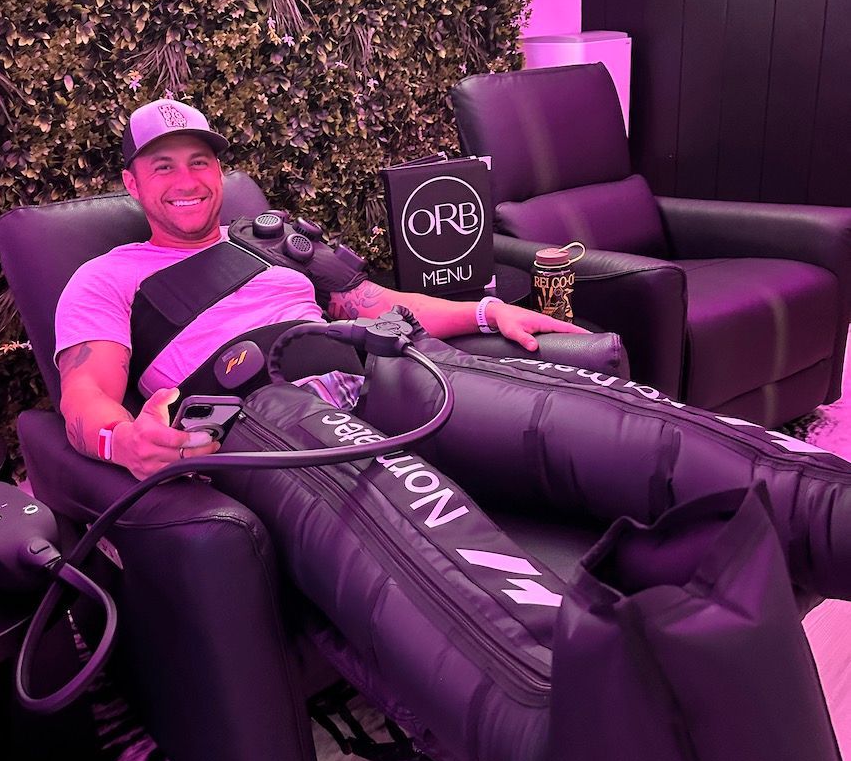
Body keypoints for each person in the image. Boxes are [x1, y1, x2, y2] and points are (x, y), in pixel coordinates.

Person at [55, 99, 586, 480]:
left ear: (219, 171)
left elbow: (379, 305)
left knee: (573, 431)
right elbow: (87, 394)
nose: (187, 181)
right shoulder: (105, 278)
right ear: (133, 184)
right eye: (163, 167)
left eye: (200, 162)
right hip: (272, 427)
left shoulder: (273, 241)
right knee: (428, 527)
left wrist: (490, 313)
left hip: (384, 378)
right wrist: (122, 442)